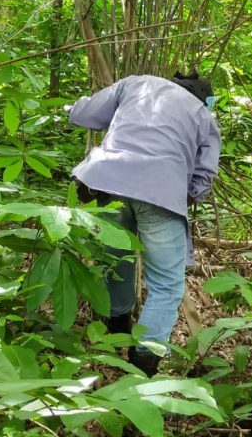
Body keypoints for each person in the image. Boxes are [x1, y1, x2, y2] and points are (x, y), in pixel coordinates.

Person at [68, 71, 220, 376]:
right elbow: (203, 177)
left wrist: (71, 107)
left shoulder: (136, 83)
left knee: (117, 263)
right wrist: (180, 195)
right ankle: (141, 369)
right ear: (205, 99)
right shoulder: (203, 116)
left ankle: (114, 340)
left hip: (105, 182)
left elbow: (83, 114)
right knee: (165, 286)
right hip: (162, 194)